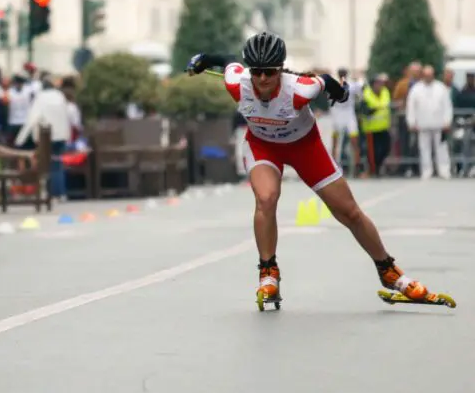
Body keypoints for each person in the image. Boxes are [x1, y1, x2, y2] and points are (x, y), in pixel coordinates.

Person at [186, 31, 450, 309]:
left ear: (280, 69)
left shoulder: (300, 88)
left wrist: (340, 91)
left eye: (270, 72)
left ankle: (389, 271)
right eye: (258, 71)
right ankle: (268, 273)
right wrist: (203, 60)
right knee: (266, 198)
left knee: (349, 213)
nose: (263, 79)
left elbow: (323, 81)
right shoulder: (237, 83)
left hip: (304, 147)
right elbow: (226, 60)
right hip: (263, 146)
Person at [406, 65, 453, 180]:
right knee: (424, 149)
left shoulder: (441, 87)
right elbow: (411, 107)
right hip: (422, 124)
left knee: (441, 148)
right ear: (423, 75)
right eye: (426, 75)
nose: (428, 77)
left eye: (430, 75)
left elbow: (447, 106)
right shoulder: (416, 89)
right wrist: (411, 122)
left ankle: (444, 170)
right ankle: (427, 171)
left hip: (439, 124)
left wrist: (447, 121)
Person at [329, 67, 363, 176]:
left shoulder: (352, 85)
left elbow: (361, 88)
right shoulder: (332, 85)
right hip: (337, 115)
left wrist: (358, 77)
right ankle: (333, 166)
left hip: (349, 115)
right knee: (336, 142)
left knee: (354, 141)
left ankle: (357, 166)